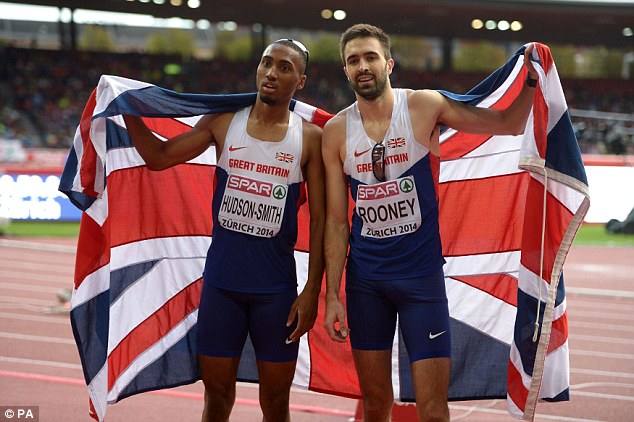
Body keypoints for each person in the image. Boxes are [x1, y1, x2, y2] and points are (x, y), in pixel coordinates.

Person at [321, 24, 538, 422]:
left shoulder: (422, 106)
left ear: (389, 63)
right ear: (345, 71)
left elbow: (508, 123)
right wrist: (332, 295)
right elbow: (337, 222)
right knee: (373, 406)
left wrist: (529, 82)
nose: (362, 66)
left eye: (370, 57)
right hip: (366, 283)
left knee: (434, 410)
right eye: (353, 60)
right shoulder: (335, 132)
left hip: (421, 281)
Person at [123, 39, 325, 422]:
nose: (271, 73)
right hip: (222, 287)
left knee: (276, 405)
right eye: (267, 63)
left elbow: (321, 222)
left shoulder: (310, 139)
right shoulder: (224, 121)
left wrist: (312, 291)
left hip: (276, 294)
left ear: (300, 81)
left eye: (284, 68)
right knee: (216, 399)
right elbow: (159, 157)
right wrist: (128, 109)